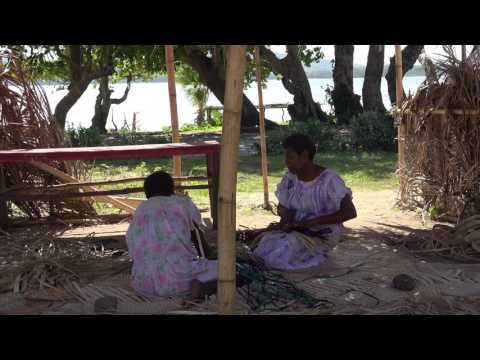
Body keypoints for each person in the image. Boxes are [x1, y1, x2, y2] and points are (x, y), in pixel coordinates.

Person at [253, 133, 357, 271]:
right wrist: (286, 215)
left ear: (304, 156)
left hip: (321, 235)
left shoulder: (329, 180)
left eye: (290, 157)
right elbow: (282, 206)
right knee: (265, 244)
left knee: (279, 252)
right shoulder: (290, 179)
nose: (286, 161)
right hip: (297, 231)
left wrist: (312, 223)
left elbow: (350, 212)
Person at [126, 171, 217, 300]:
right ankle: (198, 289)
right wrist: (211, 256)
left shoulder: (141, 209)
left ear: (146, 192)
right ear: (172, 189)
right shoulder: (183, 204)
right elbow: (199, 241)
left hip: (143, 284)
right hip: (180, 281)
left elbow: (133, 247)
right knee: (229, 269)